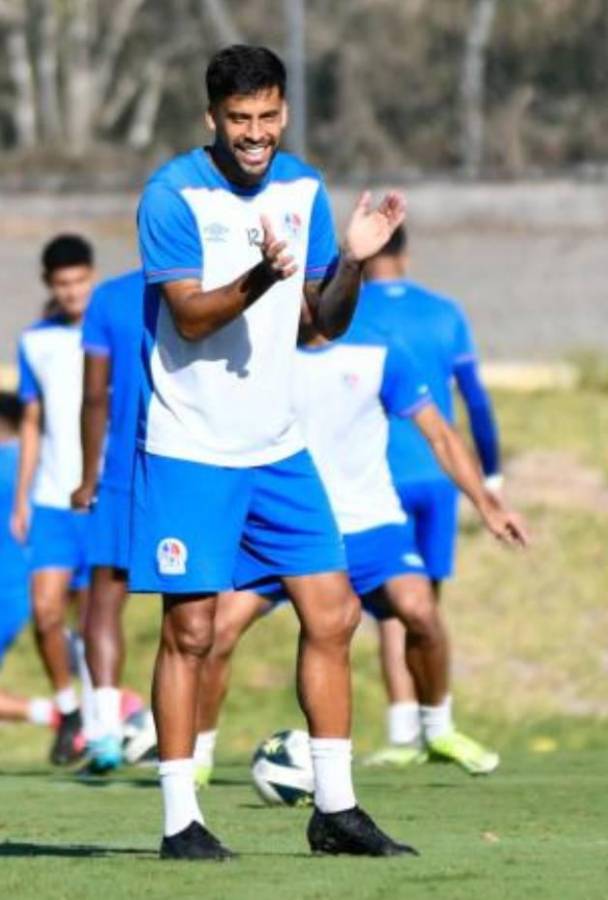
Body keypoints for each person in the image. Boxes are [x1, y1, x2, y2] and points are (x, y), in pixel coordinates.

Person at [134, 44, 409, 860]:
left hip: (278, 449)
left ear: (284, 111)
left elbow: (323, 321)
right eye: (238, 120)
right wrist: (260, 277)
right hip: (191, 448)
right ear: (211, 118)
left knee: (336, 612)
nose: (254, 134)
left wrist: (352, 257)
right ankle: (182, 819)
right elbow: (187, 317)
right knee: (190, 634)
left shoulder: (303, 189)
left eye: (267, 117)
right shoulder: (171, 194)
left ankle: (335, 810)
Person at [193, 305, 527, 783]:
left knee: (421, 612)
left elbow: (440, 436)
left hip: (370, 523)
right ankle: (198, 760)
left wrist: (487, 503)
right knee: (218, 630)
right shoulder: (257, 352)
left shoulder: (379, 351)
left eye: (317, 289)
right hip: (282, 527)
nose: (306, 302)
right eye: (301, 290)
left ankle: (437, 731)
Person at [352, 226, 505, 772]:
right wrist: (492, 475)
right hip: (439, 477)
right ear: (407, 255)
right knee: (426, 607)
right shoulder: (445, 312)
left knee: (392, 613)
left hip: (377, 477)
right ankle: (437, 723)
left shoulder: (347, 312)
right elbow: (476, 401)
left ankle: (402, 733)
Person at [12, 235, 95, 765]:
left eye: (79, 282)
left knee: (92, 624)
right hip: (50, 500)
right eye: (62, 285)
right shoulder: (35, 341)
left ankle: (100, 715)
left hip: (102, 499)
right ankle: (68, 709)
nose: (72, 293)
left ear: (91, 278)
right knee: (45, 612)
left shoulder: (111, 331)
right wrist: (21, 498)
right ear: (50, 286)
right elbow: (32, 421)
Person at [70, 268, 143, 774]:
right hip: (197, 467)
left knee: (104, 596)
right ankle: (197, 741)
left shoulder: (111, 298)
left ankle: (106, 732)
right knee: (200, 604)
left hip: (122, 469)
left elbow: (96, 396)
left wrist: (87, 475)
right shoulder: (216, 284)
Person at [0, 390, 56, 730]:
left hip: (8, 590)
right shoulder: (39, 464)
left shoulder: (9, 464)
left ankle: (67, 716)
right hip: (32, 587)